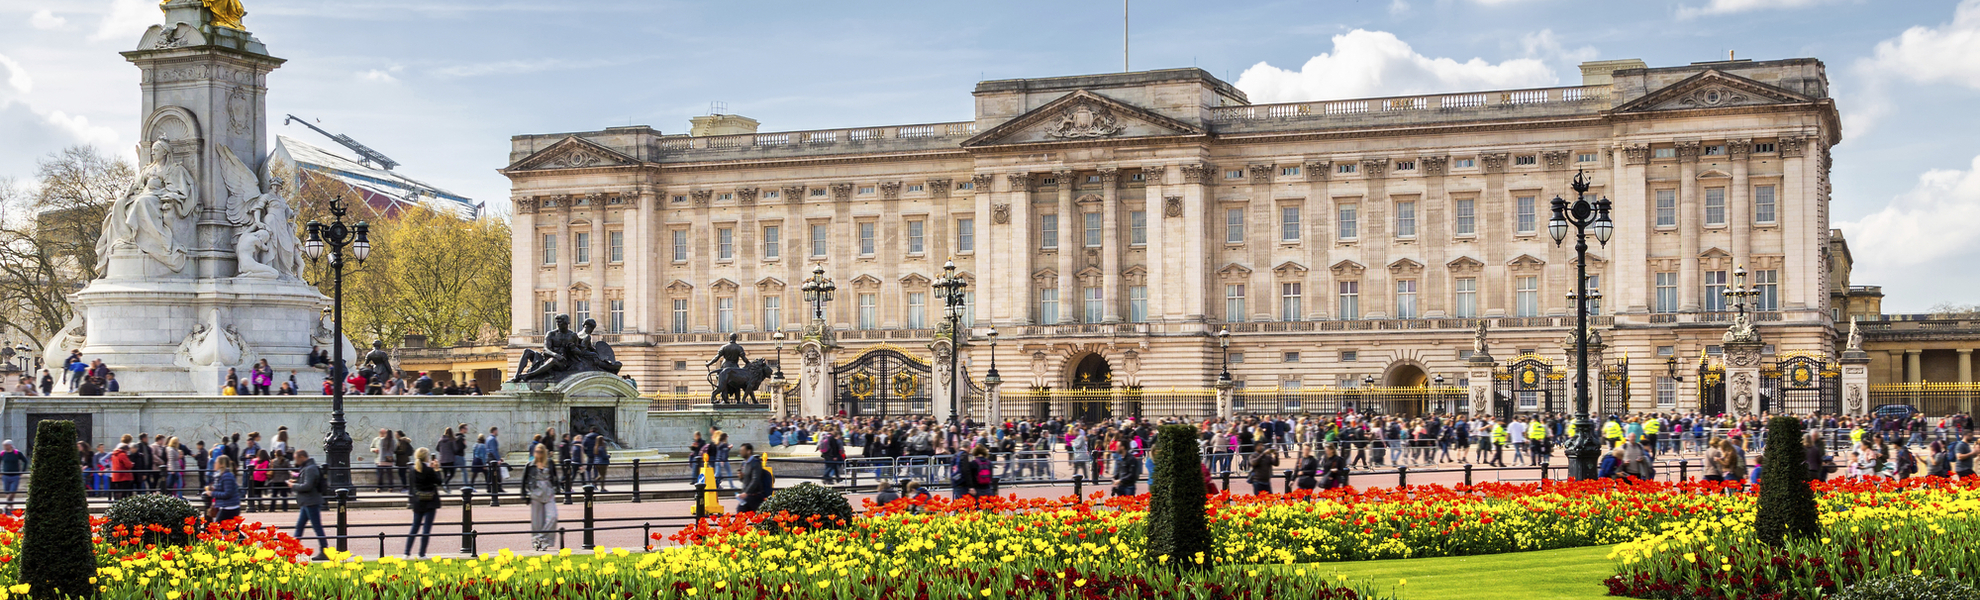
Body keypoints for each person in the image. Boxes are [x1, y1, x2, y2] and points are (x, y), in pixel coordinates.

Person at [288, 449, 328, 559]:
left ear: (302, 457)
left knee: (317, 527)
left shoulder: (310, 468)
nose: (295, 461)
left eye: (296, 458)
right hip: (307, 502)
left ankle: (324, 550)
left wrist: (293, 486)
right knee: (299, 527)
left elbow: (307, 486)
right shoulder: (309, 467)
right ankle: (292, 550)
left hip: (311, 502)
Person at [522, 444, 559, 552]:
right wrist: (524, 493)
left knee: (553, 516)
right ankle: (537, 542)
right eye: (536, 451)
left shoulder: (550, 463)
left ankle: (541, 538)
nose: (538, 454)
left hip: (548, 492)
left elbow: (555, 476)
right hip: (535, 493)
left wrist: (557, 487)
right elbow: (524, 480)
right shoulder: (530, 465)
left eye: (540, 452)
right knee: (537, 521)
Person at [737, 443, 772, 513]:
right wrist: (741, 477)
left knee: (760, 517)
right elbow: (746, 480)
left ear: (748, 451)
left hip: (756, 496)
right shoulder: (744, 463)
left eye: (742, 450)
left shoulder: (755, 463)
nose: (740, 452)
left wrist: (746, 492)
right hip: (747, 497)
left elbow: (755, 480)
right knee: (740, 514)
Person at [206, 455, 242, 522]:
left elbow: (227, 493)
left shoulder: (227, 476)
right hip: (226, 506)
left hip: (229, 508)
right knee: (232, 530)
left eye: (216, 462)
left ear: (222, 465)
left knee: (217, 529)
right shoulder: (221, 475)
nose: (214, 464)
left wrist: (212, 493)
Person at [370, 428, 397, 493]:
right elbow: (394, 449)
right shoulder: (392, 440)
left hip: (381, 460)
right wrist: (374, 450)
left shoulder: (382, 440)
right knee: (388, 474)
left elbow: (382, 451)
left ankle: (379, 487)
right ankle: (390, 487)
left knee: (380, 474)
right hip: (389, 460)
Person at [484, 426, 505, 505]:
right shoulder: (493, 439)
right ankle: (498, 488)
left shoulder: (488, 438)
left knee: (491, 473)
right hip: (493, 458)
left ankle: (490, 487)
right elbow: (494, 450)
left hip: (489, 457)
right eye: (497, 431)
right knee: (497, 473)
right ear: (494, 431)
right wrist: (498, 459)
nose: (497, 432)